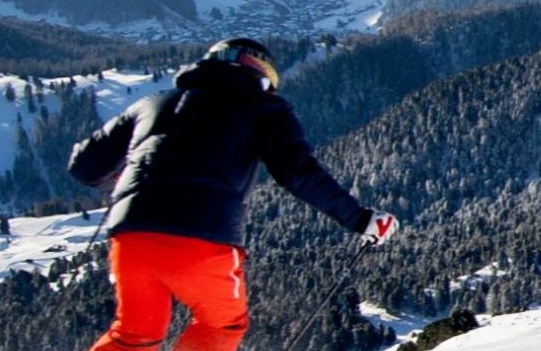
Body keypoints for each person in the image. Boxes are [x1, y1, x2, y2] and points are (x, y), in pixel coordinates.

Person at [70, 38, 399, 351]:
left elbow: (84, 166)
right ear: (261, 75)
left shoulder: (153, 103)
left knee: (135, 333)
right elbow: (297, 172)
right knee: (221, 325)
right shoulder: (264, 109)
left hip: (132, 236)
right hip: (204, 238)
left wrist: (120, 178)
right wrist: (360, 219)